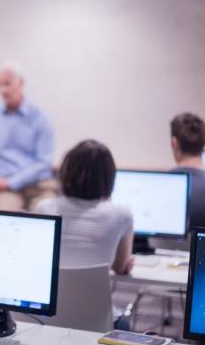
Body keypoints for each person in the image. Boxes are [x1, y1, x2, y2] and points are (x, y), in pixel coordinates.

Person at [36, 140, 133, 329]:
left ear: (66, 172)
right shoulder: (121, 214)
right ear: (109, 177)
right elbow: (120, 266)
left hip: (45, 317)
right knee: (123, 322)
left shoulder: (45, 207)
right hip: (99, 321)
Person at [0, 64, 57, 211]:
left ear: (20, 83)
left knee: (46, 219)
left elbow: (44, 162)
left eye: (7, 84)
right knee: (1, 219)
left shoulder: (40, 118)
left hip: (39, 186)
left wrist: (11, 182)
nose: (3, 90)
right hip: (6, 190)